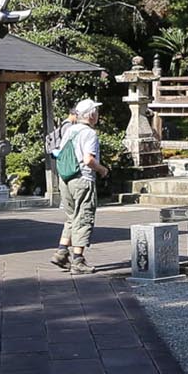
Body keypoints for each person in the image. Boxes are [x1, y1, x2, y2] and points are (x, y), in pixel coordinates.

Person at [52, 98, 108, 273]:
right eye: (96, 112)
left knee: (71, 216)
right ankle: (78, 260)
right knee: (83, 217)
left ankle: (61, 252)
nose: (98, 115)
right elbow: (88, 160)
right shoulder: (89, 133)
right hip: (83, 178)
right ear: (91, 115)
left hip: (65, 178)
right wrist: (102, 169)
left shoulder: (70, 130)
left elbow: (60, 152)